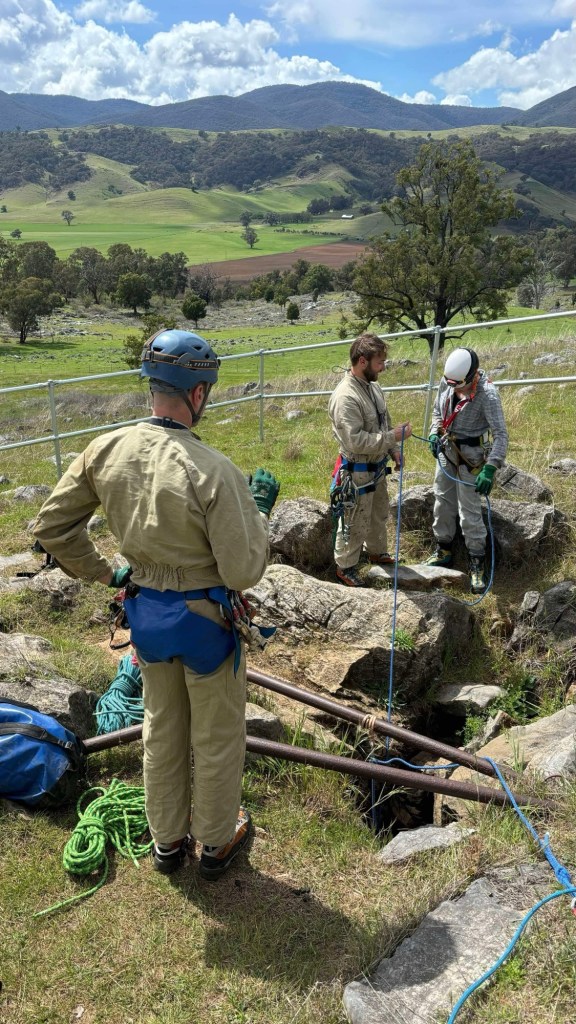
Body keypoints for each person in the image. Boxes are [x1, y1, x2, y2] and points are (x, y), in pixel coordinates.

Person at [33, 329, 280, 880]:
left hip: (147, 616)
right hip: (204, 624)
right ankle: (215, 843)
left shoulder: (105, 450)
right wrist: (258, 514)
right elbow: (242, 570)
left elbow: (52, 526)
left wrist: (108, 572)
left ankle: (167, 842)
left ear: (153, 386)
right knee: (215, 737)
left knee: (161, 727)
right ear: (198, 393)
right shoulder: (213, 469)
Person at [328, 332, 412, 587]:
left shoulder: (374, 388)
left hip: (376, 467)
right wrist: (392, 437)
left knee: (378, 512)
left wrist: (393, 449)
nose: (383, 368)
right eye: (379, 362)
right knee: (355, 519)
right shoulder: (346, 397)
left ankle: (376, 552)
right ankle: (345, 566)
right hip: (357, 470)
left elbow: (384, 422)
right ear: (362, 361)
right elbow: (355, 441)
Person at [426, 346, 508, 594]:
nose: (454, 389)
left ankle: (476, 561)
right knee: (442, 500)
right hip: (447, 449)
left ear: (472, 376)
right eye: (450, 384)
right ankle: (444, 549)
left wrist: (490, 468)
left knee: (469, 510)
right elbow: (437, 410)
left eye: (459, 386)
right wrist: (434, 431)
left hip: (471, 456)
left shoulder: (488, 395)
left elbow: (501, 435)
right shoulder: (449, 380)